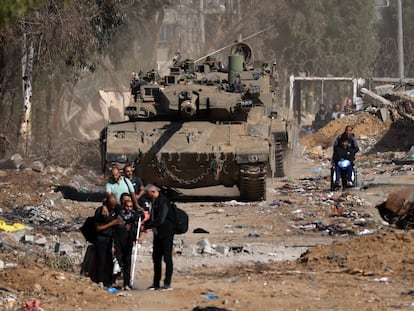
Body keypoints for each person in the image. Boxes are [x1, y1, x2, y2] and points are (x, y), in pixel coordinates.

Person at [144, 184, 175, 291]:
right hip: (157, 234)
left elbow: (161, 219)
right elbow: (154, 217)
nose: (147, 195)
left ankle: (167, 283)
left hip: (166, 234)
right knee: (156, 258)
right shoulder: (155, 201)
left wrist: (148, 225)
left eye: (147, 193)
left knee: (167, 258)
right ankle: (156, 283)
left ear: (152, 191)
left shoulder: (163, 201)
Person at [112, 196, 140, 290]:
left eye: (131, 206)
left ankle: (126, 284)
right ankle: (114, 281)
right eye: (127, 206)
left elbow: (140, 217)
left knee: (127, 262)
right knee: (117, 261)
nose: (129, 208)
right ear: (124, 206)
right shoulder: (119, 214)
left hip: (128, 241)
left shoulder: (134, 215)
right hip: (118, 240)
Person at [94, 195, 121, 288]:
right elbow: (98, 228)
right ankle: (100, 280)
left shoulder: (115, 209)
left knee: (111, 260)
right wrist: (112, 223)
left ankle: (110, 281)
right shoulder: (100, 212)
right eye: (111, 205)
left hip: (111, 239)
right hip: (101, 238)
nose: (113, 207)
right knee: (101, 260)